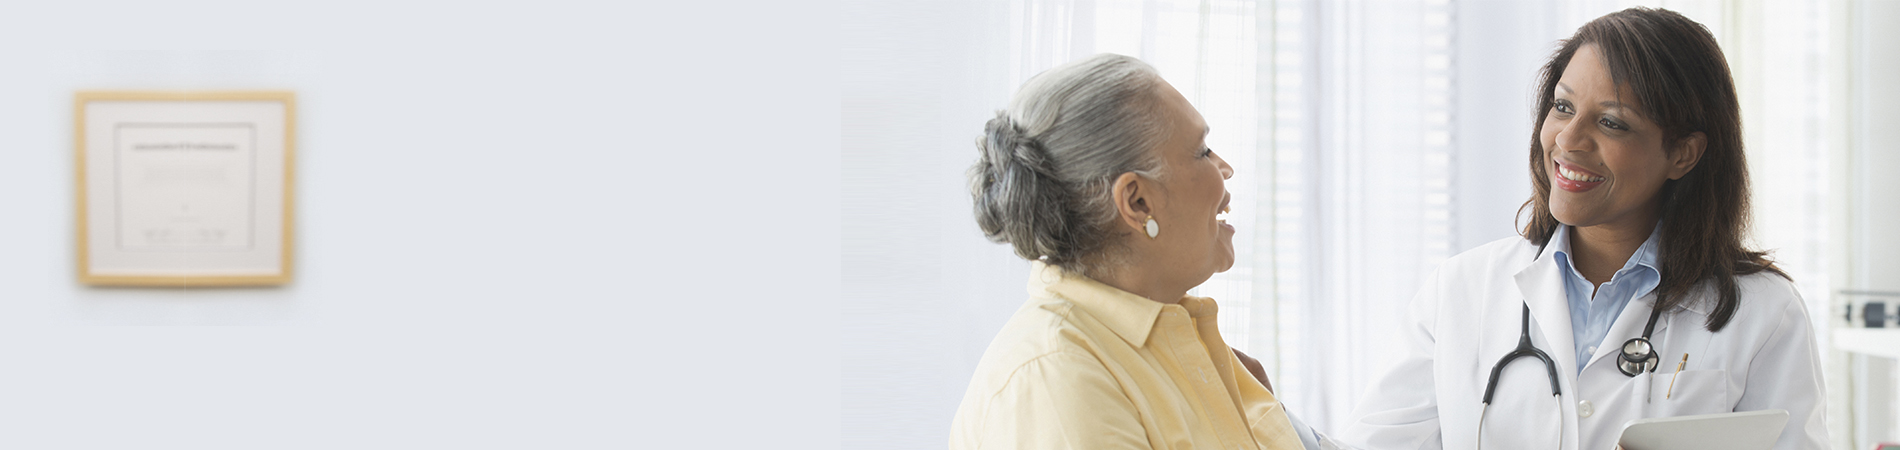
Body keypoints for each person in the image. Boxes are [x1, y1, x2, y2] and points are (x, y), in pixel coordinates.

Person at [1311, 7, 1827, 450]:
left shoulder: (1764, 313)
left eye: (1612, 122)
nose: (1568, 141)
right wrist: (1252, 406)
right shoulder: (1462, 290)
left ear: (1683, 153)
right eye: (1562, 107)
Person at [948, 53, 1309, 449]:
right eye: (1202, 151)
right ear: (1137, 203)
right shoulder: (1060, 379)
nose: (1225, 169)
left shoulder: (1193, 352)